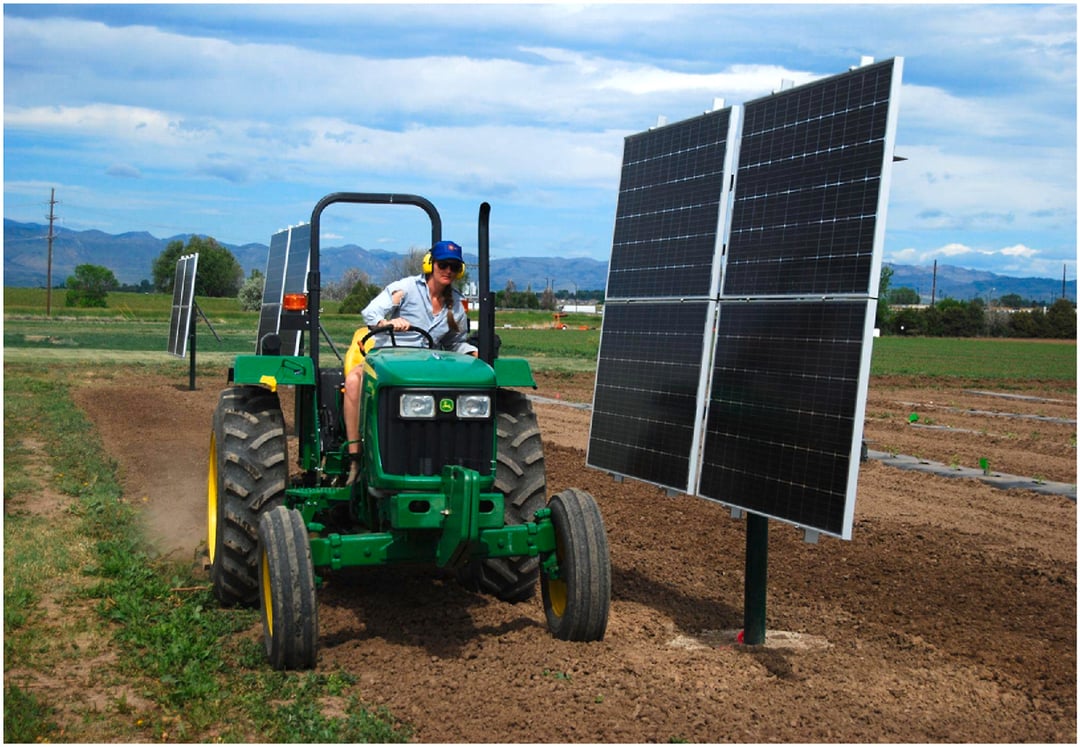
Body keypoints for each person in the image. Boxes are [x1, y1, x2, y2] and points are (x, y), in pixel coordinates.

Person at [343, 240, 477, 483]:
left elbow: (455, 342)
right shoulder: (405, 289)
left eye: (454, 267)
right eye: (443, 264)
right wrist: (387, 324)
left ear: (460, 271)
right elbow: (371, 313)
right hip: (388, 358)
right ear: (430, 265)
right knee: (353, 381)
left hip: (426, 366)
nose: (448, 271)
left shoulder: (456, 306)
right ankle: (355, 457)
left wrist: (471, 353)